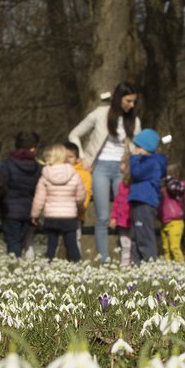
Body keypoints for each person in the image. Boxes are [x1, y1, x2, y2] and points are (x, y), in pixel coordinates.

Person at [68, 82, 142, 263]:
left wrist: (131, 156)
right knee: (102, 216)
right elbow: (74, 134)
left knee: (124, 215)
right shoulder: (100, 114)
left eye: (134, 102)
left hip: (122, 170)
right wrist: (83, 157)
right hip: (100, 167)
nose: (131, 105)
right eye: (128, 101)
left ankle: (126, 258)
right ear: (119, 98)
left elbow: (137, 146)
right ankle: (104, 260)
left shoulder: (135, 121)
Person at [31, 144, 86, 262]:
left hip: (51, 215)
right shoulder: (74, 174)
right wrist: (76, 204)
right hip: (69, 215)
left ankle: (48, 265)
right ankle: (77, 265)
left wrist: (35, 214)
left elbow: (39, 198)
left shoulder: (45, 176)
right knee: (72, 244)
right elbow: (81, 195)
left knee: (52, 244)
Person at [127, 129, 167, 264]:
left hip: (145, 201)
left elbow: (136, 173)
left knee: (144, 234)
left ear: (148, 147)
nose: (136, 150)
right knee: (136, 235)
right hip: (138, 200)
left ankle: (148, 262)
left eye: (139, 147)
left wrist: (133, 158)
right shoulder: (148, 161)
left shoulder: (151, 163)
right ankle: (136, 262)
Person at [1, 131, 42, 257]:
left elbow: (2, 185)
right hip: (28, 210)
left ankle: (14, 267)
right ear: (33, 148)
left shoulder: (8, 164)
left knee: (13, 241)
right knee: (21, 240)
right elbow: (38, 188)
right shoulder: (36, 167)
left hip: (10, 210)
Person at [159, 162, 185, 263]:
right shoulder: (163, 189)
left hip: (175, 221)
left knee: (175, 247)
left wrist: (170, 182)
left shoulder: (181, 187)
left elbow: (184, 192)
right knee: (166, 248)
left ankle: (180, 265)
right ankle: (168, 266)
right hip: (164, 221)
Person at [64, 142, 92, 249]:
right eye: (64, 156)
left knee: (76, 239)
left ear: (77, 159)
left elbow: (86, 192)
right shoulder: (55, 170)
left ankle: (76, 262)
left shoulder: (84, 174)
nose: (66, 159)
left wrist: (81, 208)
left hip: (76, 213)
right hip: (58, 213)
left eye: (70, 157)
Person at [109, 150, 133, 267]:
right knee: (124, 242)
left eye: (122, 163)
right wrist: (114, 217)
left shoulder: (134, 184)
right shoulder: (121, 184)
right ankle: (125, 263)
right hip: (121, 219)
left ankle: (134, 262)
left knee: (133, 242)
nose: (120, 166)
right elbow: (117, 202)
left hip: (131, 218)